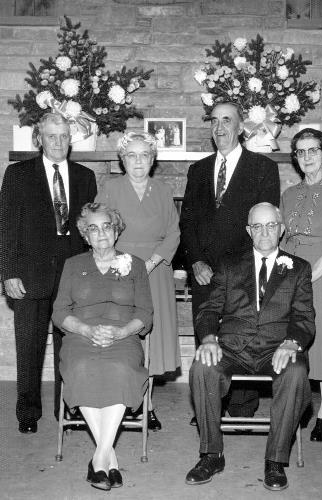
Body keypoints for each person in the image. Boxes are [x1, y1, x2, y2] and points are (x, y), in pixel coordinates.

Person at [185, 202, 315, 491]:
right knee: (202, 366)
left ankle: (275, 461)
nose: (264, 232)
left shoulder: (299, 268)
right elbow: (209, 309)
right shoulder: (230, 265)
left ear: (281, 229)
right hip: (233, 347)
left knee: (294, 374)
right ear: (248, 230)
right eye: (257, 226)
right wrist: (208, 339)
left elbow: (304, 317)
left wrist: (291, 343)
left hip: (277, 348)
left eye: (271, 225)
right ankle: (211, 454)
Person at [180, 101, 280, 420]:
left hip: (245, 273)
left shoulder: (263, 169)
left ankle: (242, 403)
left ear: (240, 128)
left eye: (227, 120)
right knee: (207, 335)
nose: (220, 127)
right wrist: (195, 262)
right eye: (214, 121)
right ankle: (210, 403)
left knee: (243, 335)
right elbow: (188, 222)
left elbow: (264, 227)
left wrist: (244, 270)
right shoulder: (197, 170)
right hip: (205, 272)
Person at [0, 112, 97, 433]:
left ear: (71, 140)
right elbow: (6, 227)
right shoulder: (18, 175)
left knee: (68, 346)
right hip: (28, 276)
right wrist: (9, 272)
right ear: (39, 139)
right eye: (52, 136)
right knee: (28, 346)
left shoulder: (85, 177)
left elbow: (90, 231)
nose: (58, 143)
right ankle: (27, 414)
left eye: (64, 136)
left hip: (72, 277)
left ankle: (66, 409)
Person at [52, 203, 153, 491]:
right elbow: (59, 312)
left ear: (116, 229)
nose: (101, 233)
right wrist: (85, 329)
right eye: (93, 228)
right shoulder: (73, 265)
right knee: (81, 366)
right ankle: (109, 459)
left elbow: (145, 313)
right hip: (80, 337)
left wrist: (121, 332)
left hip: (123, 338)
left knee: (119, 368)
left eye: (106, 226)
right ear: (85, 235)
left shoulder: (134, 264)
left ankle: (98, 458)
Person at [96, 131, 181, 430]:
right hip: (119, 270)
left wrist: (151, 262)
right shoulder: (110, 188)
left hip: (155, 271)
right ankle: (122, 399)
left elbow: (173, 232)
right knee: (123, 335)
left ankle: (148, 403)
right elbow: (99, 229)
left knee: (152, 340)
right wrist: (118, 262)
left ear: (153, 159)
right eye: (131, 155)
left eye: (144, 155)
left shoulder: (162, 189)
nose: (138, 161)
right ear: (122, 160)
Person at [280, 128, 322, 442]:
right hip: (292, 271)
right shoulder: (289, 194)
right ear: (296, 158)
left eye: (313, 151)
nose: (307, 157)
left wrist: (307, 277)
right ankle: (295, 402)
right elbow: (282, 238)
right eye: (301, 152)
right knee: (293, 336)